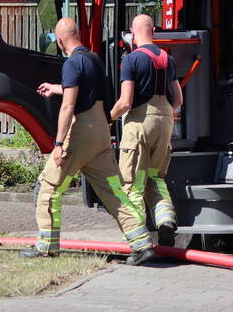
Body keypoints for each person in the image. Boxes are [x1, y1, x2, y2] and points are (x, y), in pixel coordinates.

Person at [20, 17, 155, 265]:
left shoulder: (72, 63)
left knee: (48, 187)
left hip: (80, 132)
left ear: (60, 40)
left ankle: (46, 246)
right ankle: (142, 244)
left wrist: (59, 144)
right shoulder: (93, 59)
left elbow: (69, 106)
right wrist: (55, 87)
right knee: (113, 191)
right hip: (101, 132)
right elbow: (84, 92)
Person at [110, 14, 183, 246]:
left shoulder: (132, 60)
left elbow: (125, 102)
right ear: (153, 30)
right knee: (154, 177)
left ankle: (138, 242)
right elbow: (178, 99)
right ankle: (166, 222)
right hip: (165, 121)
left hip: (140, 123)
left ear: (132, 32)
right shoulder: (166, 58)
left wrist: (106, 120)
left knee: (133, 183)